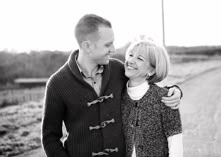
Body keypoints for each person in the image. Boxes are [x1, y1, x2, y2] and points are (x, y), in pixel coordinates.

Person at [41, 14, 182, 157]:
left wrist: (173, 91)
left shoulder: (117, 69)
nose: (113, 49)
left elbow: (144, 85)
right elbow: (50, 137)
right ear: (87, 46)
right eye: (108, 44)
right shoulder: (57, 84)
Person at [121, 37, 183, 157]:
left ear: (152, 70)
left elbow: (175, 143)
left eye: (139, 58)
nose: (131, 60)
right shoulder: (118, 93)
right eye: (130, 55)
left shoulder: (165, 98)